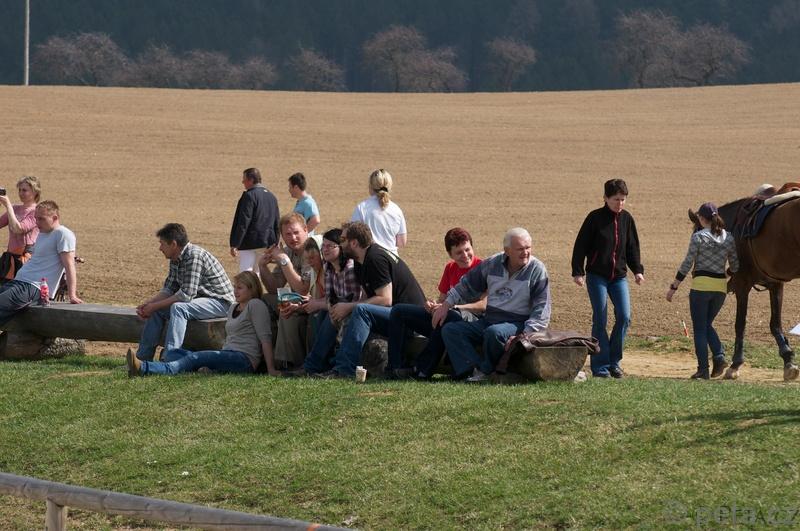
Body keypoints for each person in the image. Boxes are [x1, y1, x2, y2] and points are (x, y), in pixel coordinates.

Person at [435, 228, 551, 383]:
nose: (525, 252)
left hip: (518, 323)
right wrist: (445, 305)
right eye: (520, 249)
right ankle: (472, 371)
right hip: (489, 320)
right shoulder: (492, 264)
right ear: (507, 251)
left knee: (494, 333)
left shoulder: (537, 270)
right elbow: (466, 285)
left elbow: (541, 310)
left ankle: (487, 371)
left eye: (528, 248)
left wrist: (525, 335)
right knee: (451, 330)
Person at [312, 221, 425, 378]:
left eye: (343, 240)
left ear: (354, 243)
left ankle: (344, 369)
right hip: (394, 315)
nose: (340, 244)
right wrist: (343, 308)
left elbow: (385, 299)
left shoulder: (375, 258)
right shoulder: (361, 261)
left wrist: (349, 307)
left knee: (360, 310)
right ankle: (313, 366)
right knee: (335, 312)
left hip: (411, 321)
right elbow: (368, 297)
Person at [127, 271, 276, 377]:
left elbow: (265, 338)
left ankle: (144, 368)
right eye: (235, 287)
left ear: (252, 289)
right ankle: (207, 370)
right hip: (228, 354)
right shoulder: (233, 307)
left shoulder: (255, 305)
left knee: (195, 358)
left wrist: (271, 370)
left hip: (244, 360)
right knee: (173, 353)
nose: (235, 291)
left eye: (240, 288)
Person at [387, 227, 485, 379]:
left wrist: (453, 307)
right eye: (459, 252)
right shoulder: (450, 268)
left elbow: (484, 305)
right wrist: (432, 306)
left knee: (448, 317)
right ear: (450, 254)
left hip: (471, 321)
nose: (465, 255)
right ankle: (395, 368)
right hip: (446, 317)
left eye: (468, 249)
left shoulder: (482, 268)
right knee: (399, 311)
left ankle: (422, 370)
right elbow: (442, 300)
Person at [571, 178, 644, 379]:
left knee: (624, 316)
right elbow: (580, 246)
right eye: (616, 199)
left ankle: (614, 362)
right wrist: (578, 272)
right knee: (600, 319)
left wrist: (637, 270)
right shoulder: (594, 218)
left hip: (619, 277)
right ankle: (600, 366)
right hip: (597, 276)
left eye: (623, 199)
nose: (620, 203)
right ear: (605, 198)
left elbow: (632, 247)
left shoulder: (627, 219)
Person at [135, 223, 234, 361]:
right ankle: (142, 359)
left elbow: (186, 295)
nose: (160, 248)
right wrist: (149, 304)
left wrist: (154, 306)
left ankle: (170, 359)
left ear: (173, 244)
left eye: (162, 244)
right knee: (157, 310)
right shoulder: (175, 258)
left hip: (221, 303)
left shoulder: (194, 256)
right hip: (200, 301)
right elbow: (169, 289)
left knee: (179, 308)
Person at [666, 202, 739, 379]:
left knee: (700, 329)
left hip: (701, 287)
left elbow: (687, 264)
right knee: (706, 325)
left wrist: (674, 286)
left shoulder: (698, 237)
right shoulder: (728, 238)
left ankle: (703, 369)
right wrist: (726, 274)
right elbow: (735, 266)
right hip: (720, 288)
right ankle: (719, 357)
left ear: (700, 218)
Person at [0, 200, 82, 326]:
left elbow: (69, 265)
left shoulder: (63, 234)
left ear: (55, 218)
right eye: (36, 218)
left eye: (41, 219)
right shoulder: (42, 233)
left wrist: (72, 295)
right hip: (19, 282)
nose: (37, 223)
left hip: (34, 287)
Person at [300, 228, 363, 376]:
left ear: (341, 248)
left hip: (353, 311)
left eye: (330, 246)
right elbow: (330, 298)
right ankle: (314, 365)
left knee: (328, 315)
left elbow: (353, 300)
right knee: (323, 314)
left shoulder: (350, 269)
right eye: (324, 246)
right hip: (340, 309)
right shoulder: (328, 267)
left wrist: (329, 307)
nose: (325, 249)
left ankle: (317, 366)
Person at [258, 212, 312, 369]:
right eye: (288, 234)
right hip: (299, 300)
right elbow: (274, 288)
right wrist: (262, 266)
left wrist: (284, 260)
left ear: (306, 230)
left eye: (296, 232)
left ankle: (287, 363)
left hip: (314, 302)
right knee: (262, 302)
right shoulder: (288, 251)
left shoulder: (312, 250)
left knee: (287, 310)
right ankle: (264, 355)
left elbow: (303, 289)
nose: (293, 238)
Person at [229, 167, 280, 274]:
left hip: (249, 243)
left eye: (244, 179)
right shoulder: (272, 197)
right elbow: (276, 221)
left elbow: (244, 222)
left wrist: (235, 243)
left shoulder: (249, 196)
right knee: (257, 273)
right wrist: (276, 242)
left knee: (246, 273)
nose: (242, 182)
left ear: (251, 180)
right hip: (266, 242)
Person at [350, 168, 407, 254]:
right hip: (391, 258)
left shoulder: (362, 208)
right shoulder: (397, 210)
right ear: (390, 187)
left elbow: (352, 236)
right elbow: (402, 242)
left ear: (370, 186)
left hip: (369, 257)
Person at [0, 176, 41, 282]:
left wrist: (8, 205)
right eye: (20, 190)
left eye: (25, 190)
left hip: (26, 259)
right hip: (10, 257)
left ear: (35, 192)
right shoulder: (14, 208)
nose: (21, 193)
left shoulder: (37, 211)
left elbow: (18, 229)